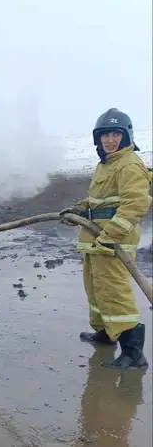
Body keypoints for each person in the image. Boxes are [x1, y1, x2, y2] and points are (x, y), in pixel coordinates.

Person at [59, 108, 152, 369]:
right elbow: (96, 200)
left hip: (113, 243)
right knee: (96, 290)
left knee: (115, 294)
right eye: (105, 135)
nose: (110, 140)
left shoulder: (129, 164)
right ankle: (106, 334)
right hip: (95, 242)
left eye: (115, 134)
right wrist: (77, 209)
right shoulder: (106, 165)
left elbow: (135, 204)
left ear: (126, 136)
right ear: (97, 139)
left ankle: (134, 354)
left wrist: (110, 235)